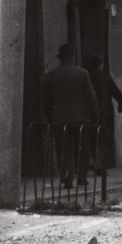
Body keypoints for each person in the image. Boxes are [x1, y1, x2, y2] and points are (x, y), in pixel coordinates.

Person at [40, 44, 99, 187]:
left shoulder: (50, 76)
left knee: (63, 149)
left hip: (59, 119)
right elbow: (91, 96)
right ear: (73, 57)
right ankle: (82, 177)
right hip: (80, 118)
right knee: (82, 148)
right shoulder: (82, 73)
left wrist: (50, 118)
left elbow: (46, 101)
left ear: (60, 58)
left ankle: (67, 177)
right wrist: (96, 114)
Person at [83, 53, 122, 175]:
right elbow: (116, 91)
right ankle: (101, 164)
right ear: (100, 64)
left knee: (93, 138)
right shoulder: (105, 76)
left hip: (90, 112)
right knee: (104, 139)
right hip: (106, 112)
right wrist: (120, 104)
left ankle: (96, 163)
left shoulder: (88, 76)